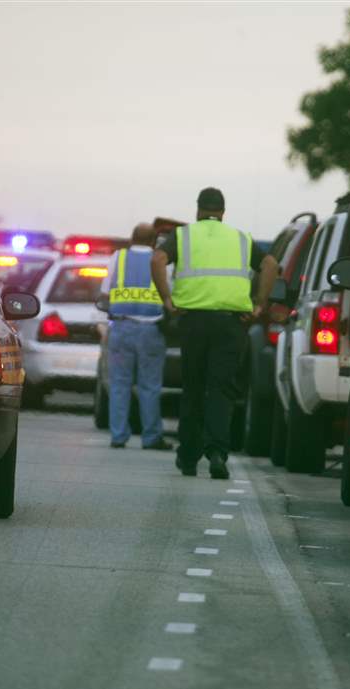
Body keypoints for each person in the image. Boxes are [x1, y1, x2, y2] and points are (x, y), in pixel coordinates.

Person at [151, 187, 278, 479]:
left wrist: (167, 299)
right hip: (231, 324)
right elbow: (271, 264)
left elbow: (157, 259)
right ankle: (218, 453)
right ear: (222, 212)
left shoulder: (183, 236)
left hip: (193, 322)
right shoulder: (241, 238)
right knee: (221, 389)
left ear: (198, 210)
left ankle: (188, 458)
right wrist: (259, 303)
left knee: (193, 388)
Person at [101, 223, 173, 450]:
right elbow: (172, 293)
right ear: (154, 241)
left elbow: (105, 293)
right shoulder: (162, 261)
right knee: (150, 386)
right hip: (151, 330)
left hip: (121, 328)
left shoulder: (118, 258)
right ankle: (151, 437)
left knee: (119, 385)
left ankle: (118, 435)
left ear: (132, 239)